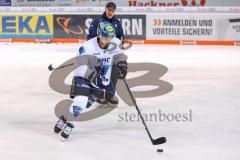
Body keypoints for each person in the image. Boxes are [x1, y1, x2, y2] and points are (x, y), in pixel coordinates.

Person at [54, 22, 128, 140]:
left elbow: (120, 55)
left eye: (110, 37)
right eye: (105, 37)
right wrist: (93, 75)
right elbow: (79, 66)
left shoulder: (116, 42)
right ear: (99, 34)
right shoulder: (87, 47)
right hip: (83, 77)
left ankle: (65, 117)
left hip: (101, 81)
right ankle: (70, 125)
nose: (108, 40)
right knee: (81, 100)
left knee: (85, 105)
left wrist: (122, 65)